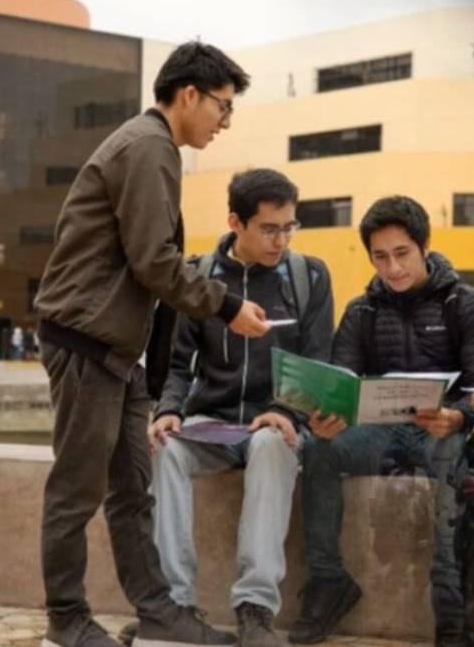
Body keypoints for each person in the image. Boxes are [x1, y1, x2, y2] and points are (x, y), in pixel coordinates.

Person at [32, 41, 266, 647]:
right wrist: (229, 304)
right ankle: (65, 619)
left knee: (132, 493)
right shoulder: (147, 147)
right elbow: (153, 262)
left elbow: (147, 264)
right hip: (87, 344)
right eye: (222, 106)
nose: (224, 122)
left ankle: (157, 608)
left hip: (116, 354)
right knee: (76, 491)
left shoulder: (152, 147)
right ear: (189, 94)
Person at [295, 196, 474, 646]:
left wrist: (458, 416)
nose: (392, 268)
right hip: (381, 430)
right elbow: (341, 383)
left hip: (441, 432)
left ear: (425, 245)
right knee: (317, 449)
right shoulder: (360, 311)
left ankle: (449, 614)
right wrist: (327, 417)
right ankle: (329, 581)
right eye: (380, 257)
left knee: (450, 463)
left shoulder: (462, 304)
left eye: (402, 253)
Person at [143, 169, 333, 647]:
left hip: (276, 423)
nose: (282, 239)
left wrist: (286, 412)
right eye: (270, 228)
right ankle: (175, 606)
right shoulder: (200, 278)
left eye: (290, 226)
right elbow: (179, 364)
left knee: (271, 443)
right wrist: (169, 409)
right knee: (164, 445)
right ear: (236, 222)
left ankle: (255, 609)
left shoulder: (308, 277)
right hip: (214, 422)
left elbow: (316, 361)